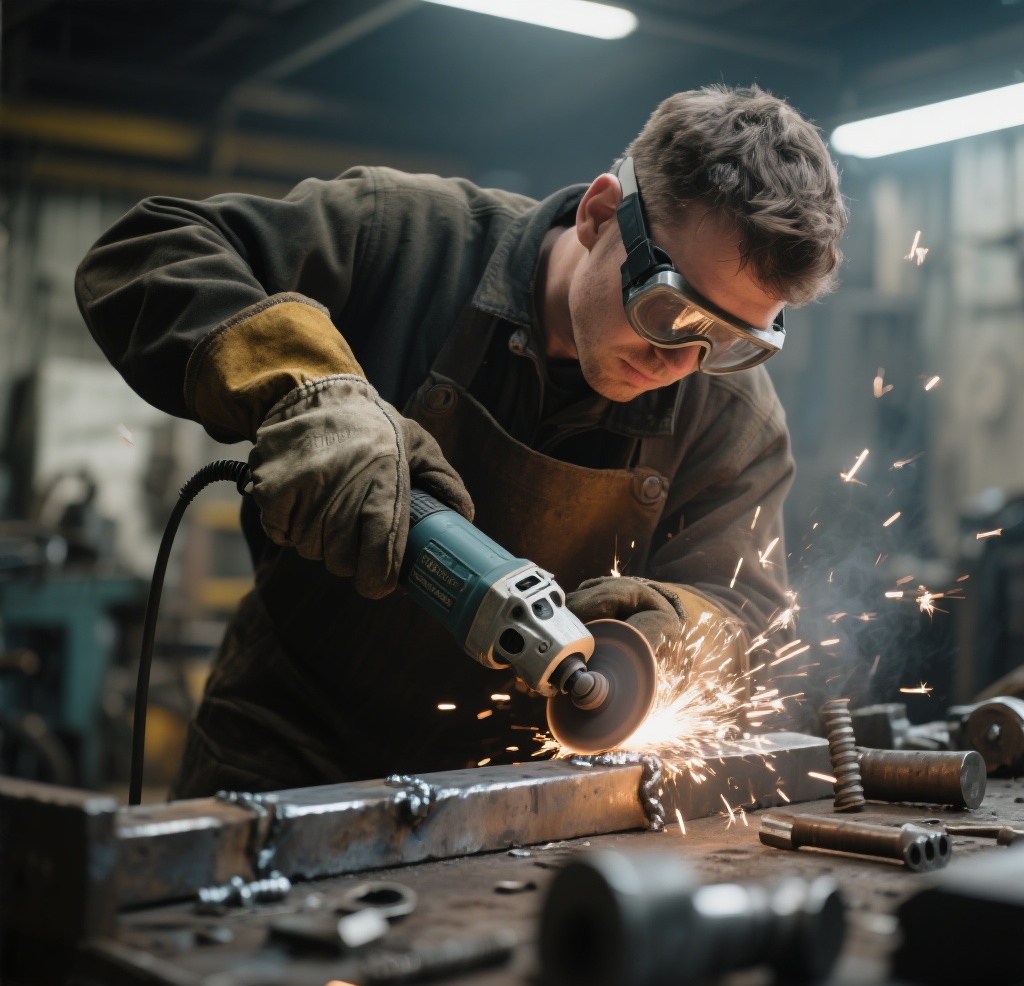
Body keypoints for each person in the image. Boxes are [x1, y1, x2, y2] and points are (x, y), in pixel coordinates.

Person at [76, 84, 847, 797]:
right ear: (601, 214)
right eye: (668, 311)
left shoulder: (732, 414)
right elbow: (148, 249)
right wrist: (307, 391)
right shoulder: (404, 237)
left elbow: (746, 611)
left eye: (730, 339)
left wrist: (678, 637)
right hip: (286, 738)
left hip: (516, 791)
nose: (680, 363)